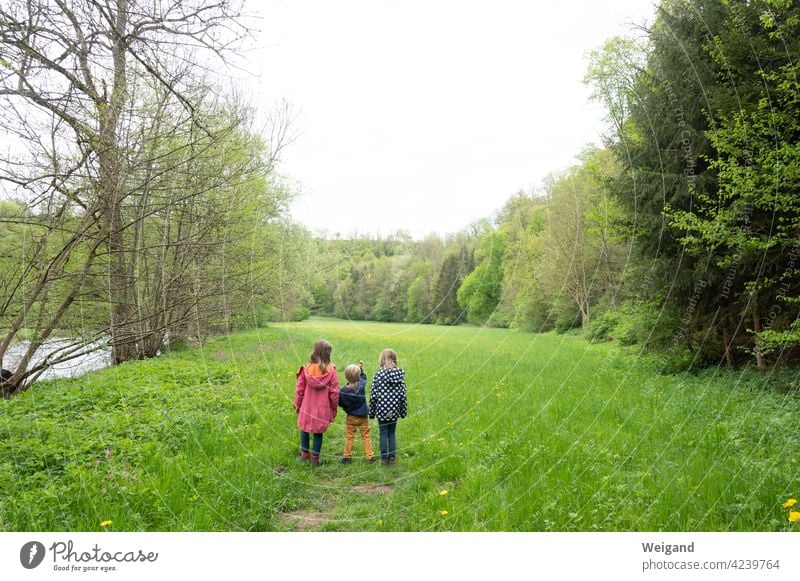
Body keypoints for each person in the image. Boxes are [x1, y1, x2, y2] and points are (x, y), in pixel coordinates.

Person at [294, 339, 340, 466]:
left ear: (314, 352)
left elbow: (299, 390)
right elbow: (334, 392)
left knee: (304, 430)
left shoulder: (306, 369)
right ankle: (315, 459)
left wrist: (297, 404)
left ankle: (304, 455)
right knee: (318, 433)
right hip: (322, 409)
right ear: (328, 354)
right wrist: (333, 407)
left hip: (306, 408)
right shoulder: (331, 370)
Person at [369, 348, 407, 465]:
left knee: (383, 433)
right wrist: (403, 411)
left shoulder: (378, 376)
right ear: (395, 360)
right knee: (392, 433)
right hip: (394, 410)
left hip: (381, 409)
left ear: (382, 360)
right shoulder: (399, 376)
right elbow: (403, 395)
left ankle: (384, 458)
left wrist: (371, 412)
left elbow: (373, 395)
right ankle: (392, 457)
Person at [338, 360, 375, 464]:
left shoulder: (342, 391)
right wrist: (361, 368)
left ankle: (347, 457)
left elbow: (340, 403)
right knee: (366, 435)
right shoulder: (361, 384)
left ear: (345, 376)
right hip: (363, 416)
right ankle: (369, 456)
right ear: (358, 377)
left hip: (351, 417)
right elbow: (363, 378)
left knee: (349, 436)